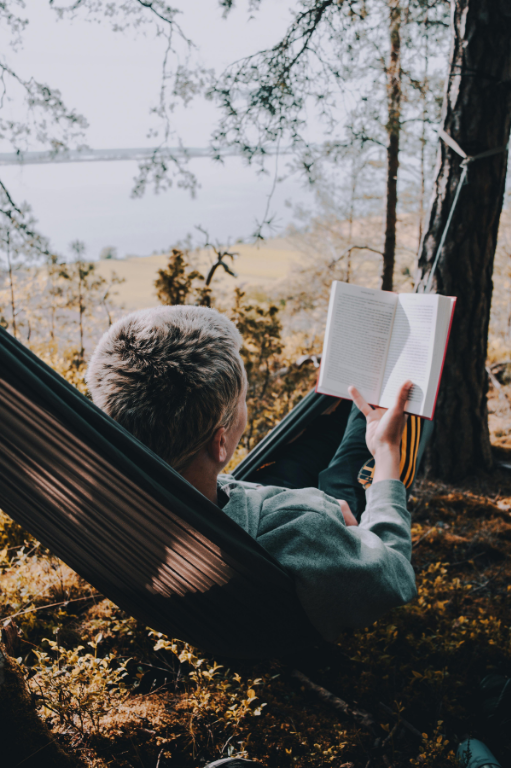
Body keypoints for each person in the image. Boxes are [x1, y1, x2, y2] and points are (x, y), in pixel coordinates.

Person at [87, 305, 417, 643]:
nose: (245, 405)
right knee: (356, 444)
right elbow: (394, 577)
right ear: (220, 442)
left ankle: (343, 406)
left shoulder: (106, 509)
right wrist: (387, 452)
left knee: (312, 443)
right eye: (243, 400)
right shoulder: (307, 528)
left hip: (255, 511)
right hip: (307, 534)